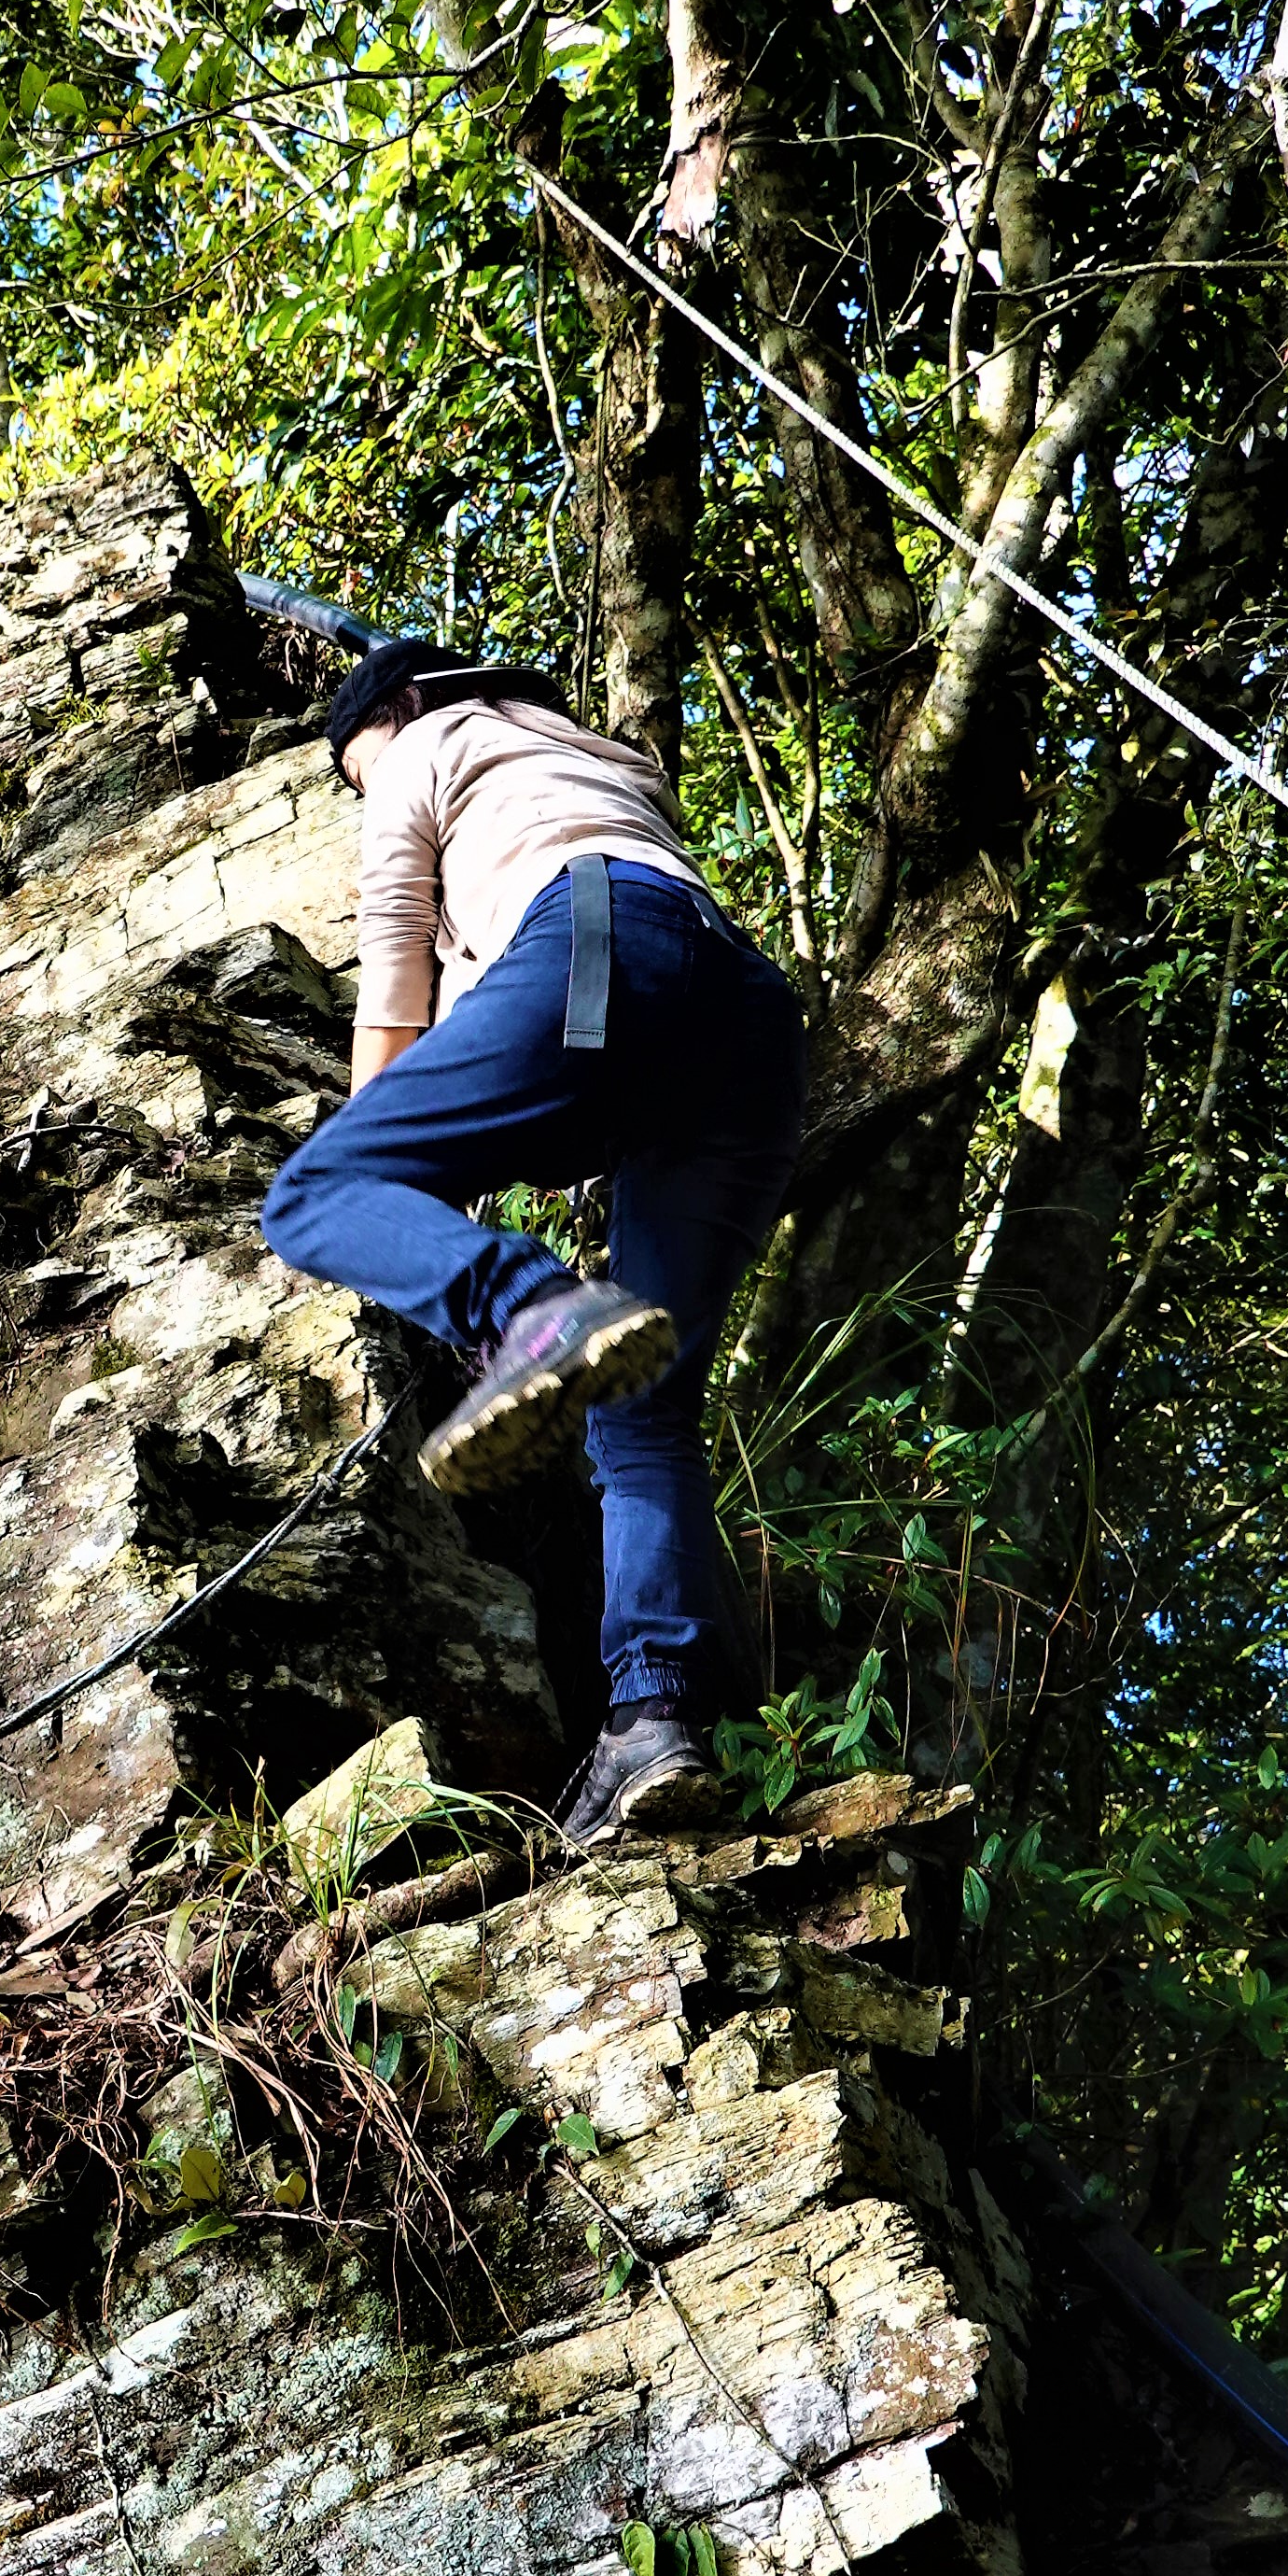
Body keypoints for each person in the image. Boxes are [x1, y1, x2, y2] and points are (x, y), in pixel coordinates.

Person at [259, 637, 807, 1845]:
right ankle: (652, 1724)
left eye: (357, 769)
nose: (365, 790)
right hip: (746, 1028)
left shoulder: (422, 753)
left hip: (602, 943)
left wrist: (420, 1222)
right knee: (643, 1401)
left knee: (317, 1192)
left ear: (396, 713)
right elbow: (498, 1014)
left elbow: (395, 989)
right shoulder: (597, 766)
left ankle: (533, 1306)